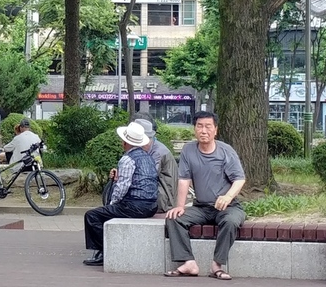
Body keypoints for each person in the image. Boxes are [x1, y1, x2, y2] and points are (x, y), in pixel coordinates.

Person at [164, 111, 245, 280]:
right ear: (194, 129)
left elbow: (239, 179)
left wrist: (227, 197)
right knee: (174, 218)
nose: (203, 130)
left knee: (230, 222)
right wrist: (179, 206)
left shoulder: (226, 151)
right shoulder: (188, 150)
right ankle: (188, 263)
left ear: (216, 129)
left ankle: (217, 266)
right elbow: (184, 180)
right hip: (201, 207)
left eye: (208, 126)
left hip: (227, 207)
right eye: (199, 126)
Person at [82, 121, 158, 267]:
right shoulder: (148, 157)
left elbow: (122, 187)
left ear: (125, 142)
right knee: (104, 214)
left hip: (134, 205)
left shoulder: (127, 159)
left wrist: (112, 204)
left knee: (92, 215)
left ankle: (104, 251)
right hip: (152, 205)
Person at [132, 113, 178, 213]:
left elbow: (144, 178)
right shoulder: (146, 146)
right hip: (153, 195)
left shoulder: (158, 152)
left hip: (163, 200)